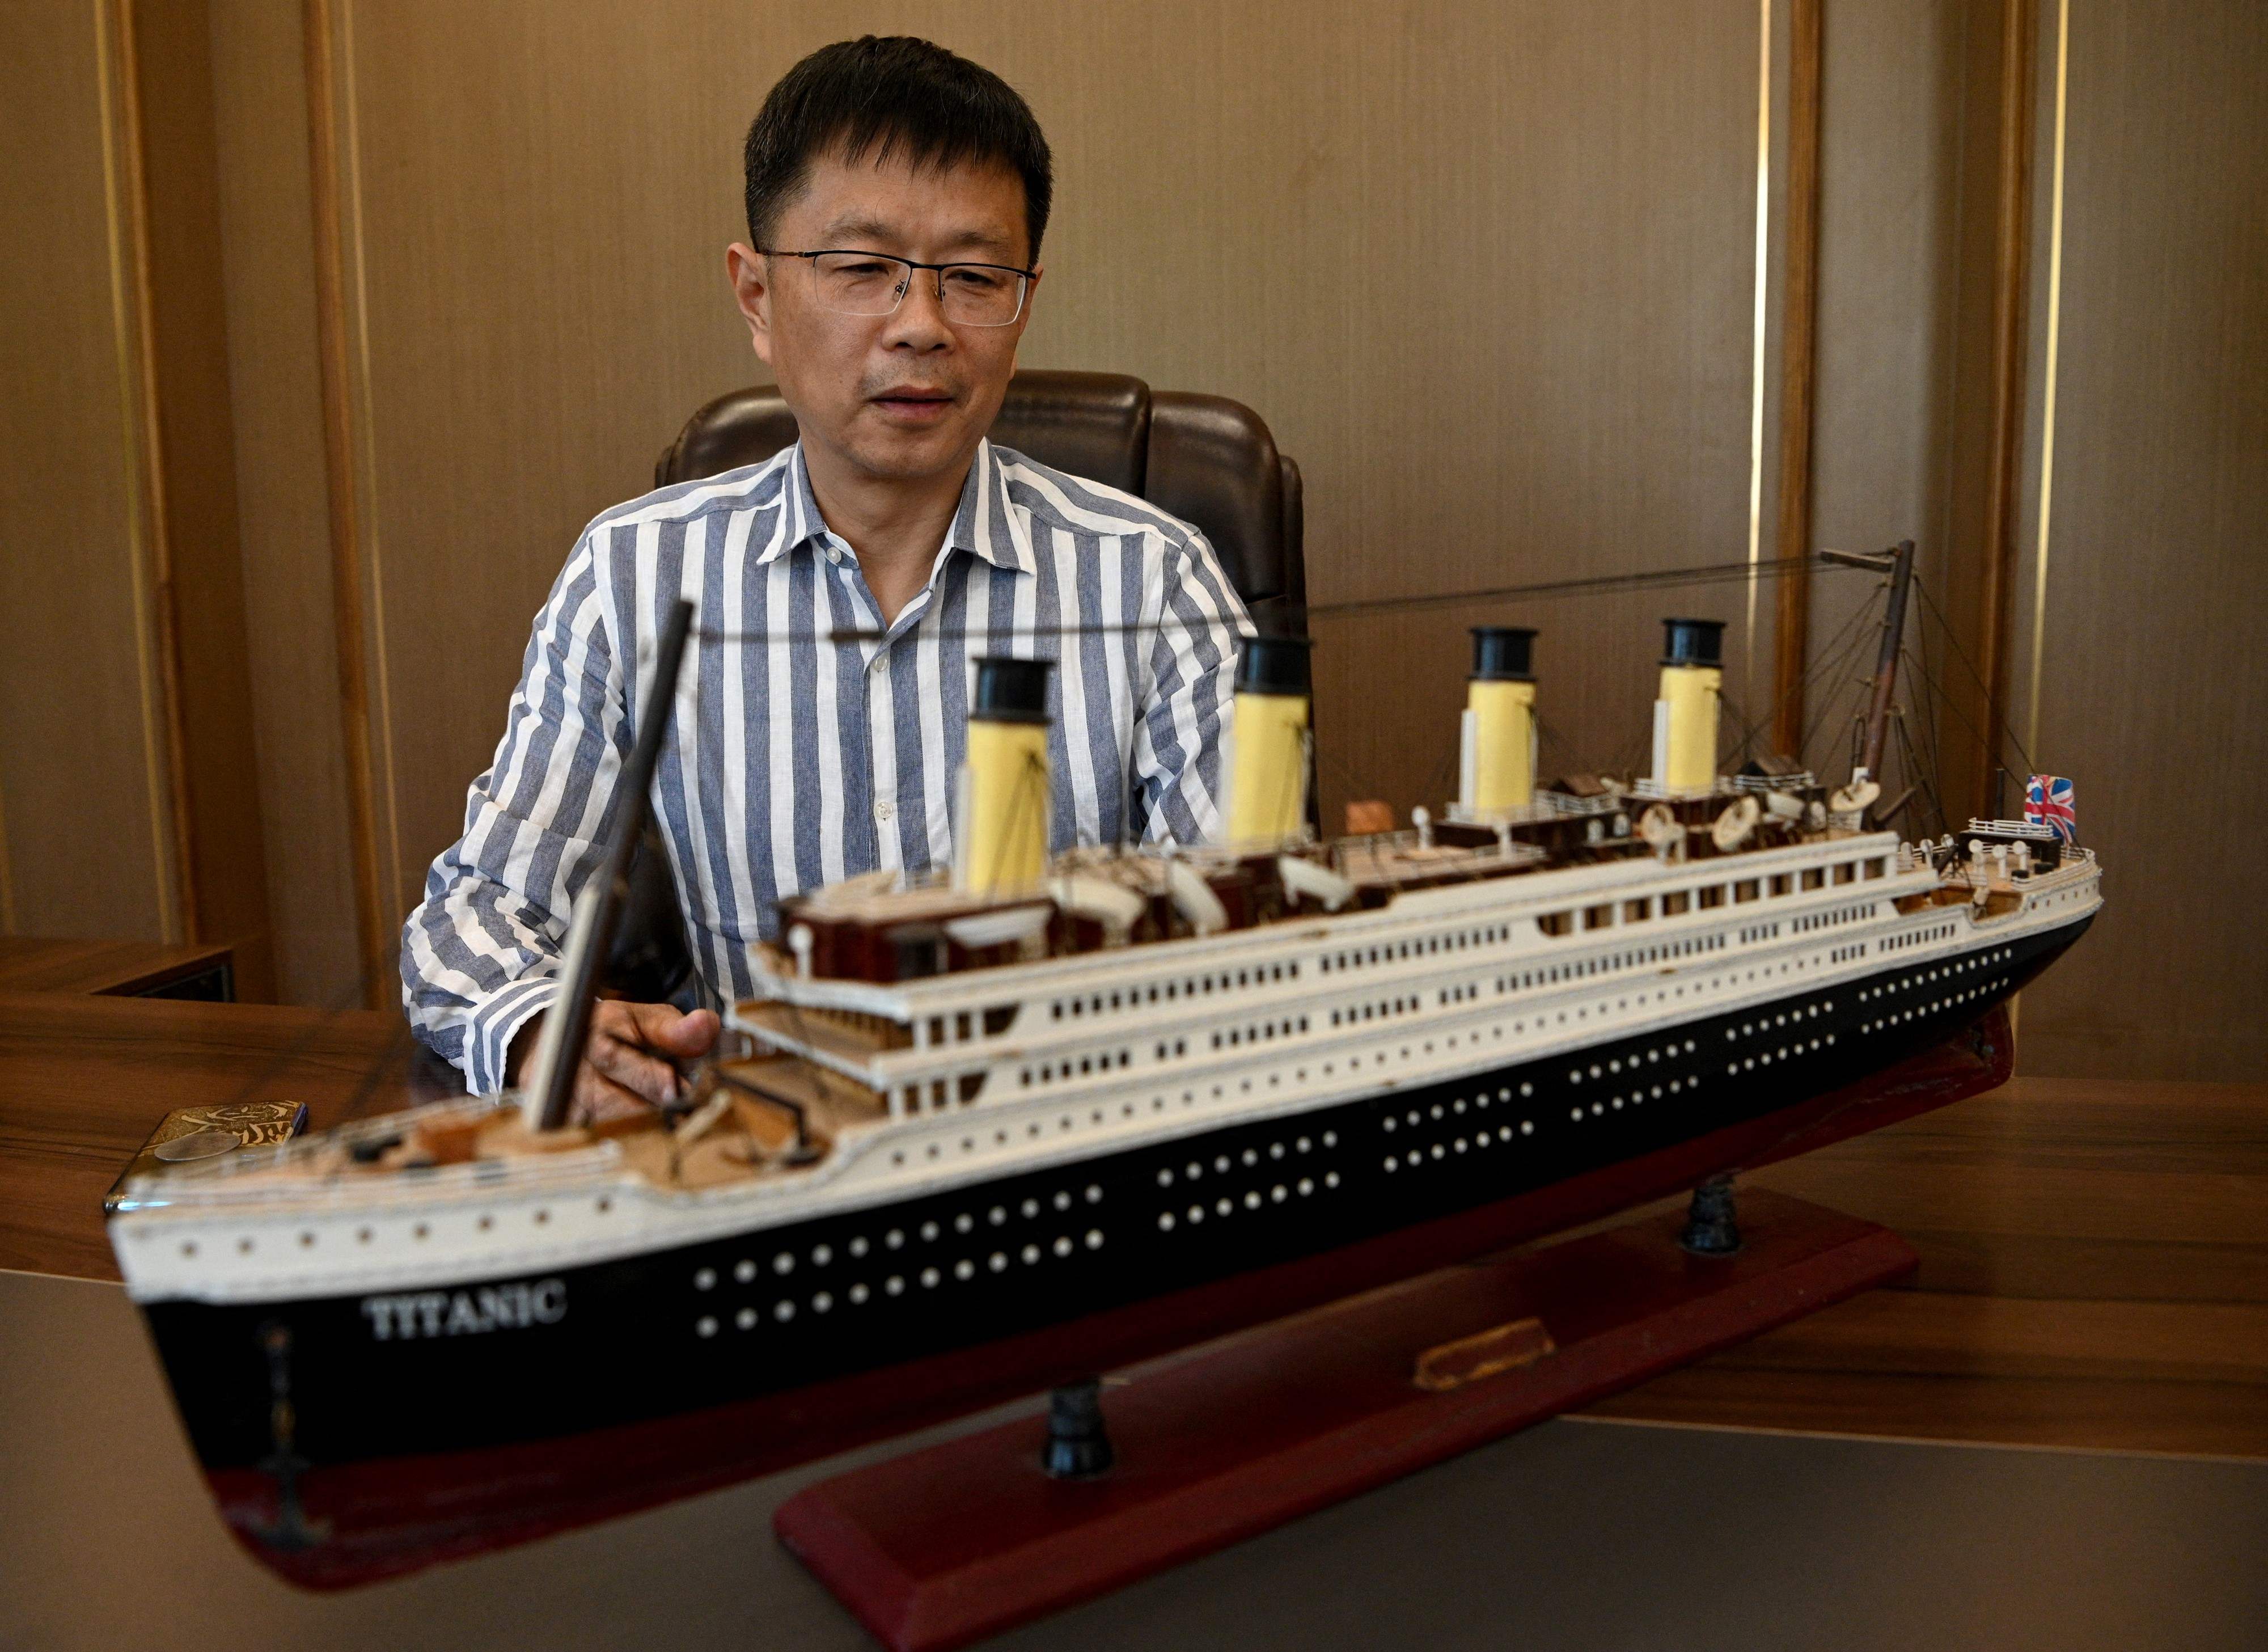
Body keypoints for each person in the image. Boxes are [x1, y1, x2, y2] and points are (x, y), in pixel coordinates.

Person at [401, 36, 1250, 1123]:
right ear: (755, 296)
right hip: (764, 1163)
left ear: (1025, 301)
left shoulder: (1156, 580)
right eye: (862, 270)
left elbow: (1244, 932)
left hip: (1069, 1150)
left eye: (976, 277)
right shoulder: (637, 573)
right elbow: (481, 909)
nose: (921, 325)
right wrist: (535, 1030)